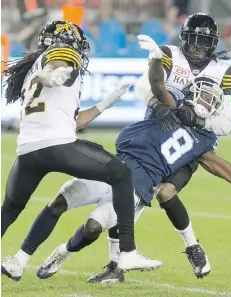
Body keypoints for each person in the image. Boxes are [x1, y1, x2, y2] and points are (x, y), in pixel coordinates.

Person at [30, 52, 231, 283]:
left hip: (137, 187)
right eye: (203, 96)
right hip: (114, 168)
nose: (205, 103)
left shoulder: (204, 142)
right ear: (192, 94)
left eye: (211, 101)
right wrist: (157, 58)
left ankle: (63, 252)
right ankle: (33, 255)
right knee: (62, 198)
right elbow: (156, 83)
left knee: (92, 227)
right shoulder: (173, 107)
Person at [1, 20, 161, 282]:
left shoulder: (31, 69)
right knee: (121, 174)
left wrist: (106, 103)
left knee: (9, 210)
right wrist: (51, 74)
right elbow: (56, 66)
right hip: (58, 145)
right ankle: (128, 251)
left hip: (28, 151)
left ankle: (19, 261)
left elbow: (75, 121)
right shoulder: (62, 55)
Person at [93, 13, 231, 280]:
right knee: (132, 200)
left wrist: (196, 119)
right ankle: (116, 265)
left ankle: (192, 248)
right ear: (184, 38)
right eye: (195, 40)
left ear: (213, 43)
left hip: (191, 143)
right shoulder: (168, 54)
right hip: (155, 136)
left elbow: (226, 123)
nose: (199, 47)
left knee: (165, 193)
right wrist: (158, 104)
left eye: (205, 42)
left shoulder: (224, 69)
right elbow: (142, 87)